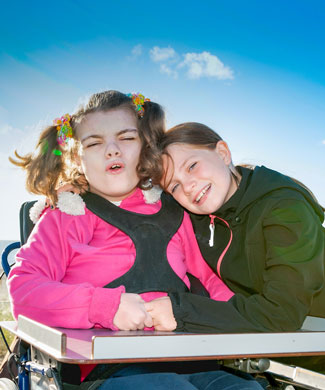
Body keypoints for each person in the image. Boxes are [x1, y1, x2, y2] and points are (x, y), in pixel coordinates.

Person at [7, 95, 263, 390]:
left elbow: (208, 280)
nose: (112, 150)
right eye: (94, 143)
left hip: (189, 357)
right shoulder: (67, 215)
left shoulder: (173, 212)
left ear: (145, 147)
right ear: (78, 158)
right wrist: (104, 306)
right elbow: (24, 289)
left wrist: (243, 319)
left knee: (247, 387)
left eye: (126, 138)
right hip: (108, 368)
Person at [145, 122, 325, 336]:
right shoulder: (194, 218)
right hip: (259, 349)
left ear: (223, 153)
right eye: (174, 186)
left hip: (318, 348)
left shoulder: (286, 208)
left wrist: (181, 312)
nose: (188, 187)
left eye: (192, 166)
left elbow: (282, 313)